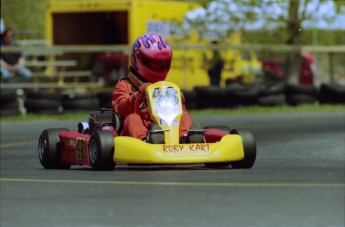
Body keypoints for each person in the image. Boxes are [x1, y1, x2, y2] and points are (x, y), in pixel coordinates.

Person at [112, 33, 197, 143]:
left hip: (166, 125)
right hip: (137, 130)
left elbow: (177, 111)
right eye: (154, 64)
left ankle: (185, 138)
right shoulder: (125, 85)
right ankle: (145, 140)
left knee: (183, 115)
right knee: (132, 118)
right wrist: (137, 95)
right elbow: (120, 108)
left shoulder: (164, 87)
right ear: (138, 59)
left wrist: (179, 101)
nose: (160, 68)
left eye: (164, 64)